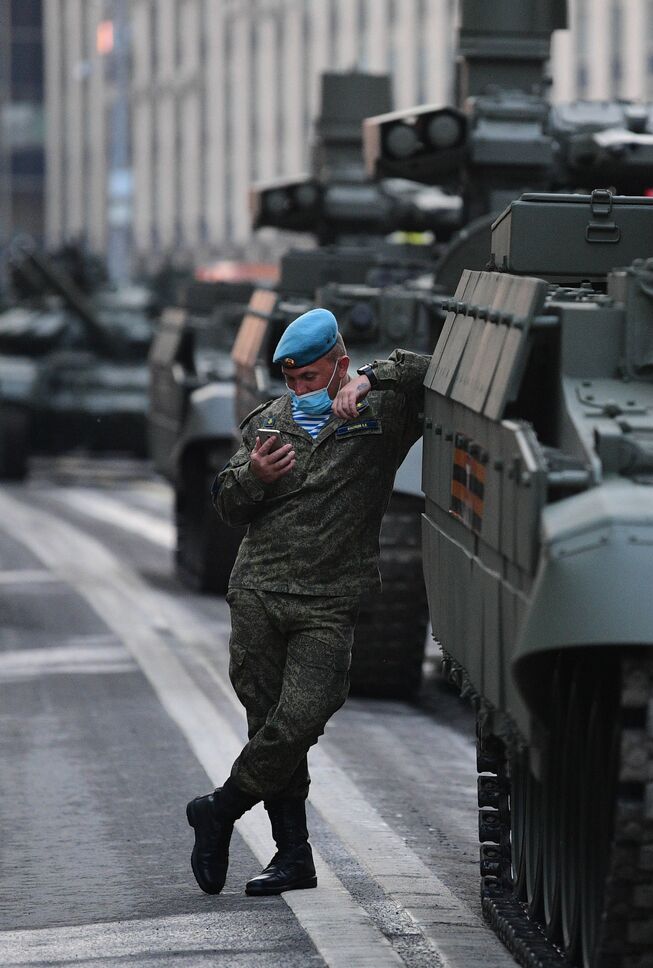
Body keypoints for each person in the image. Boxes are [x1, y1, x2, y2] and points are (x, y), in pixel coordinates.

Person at [186, 307, 429, 896]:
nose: (299, 391)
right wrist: (254, 478)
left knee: (303, 715)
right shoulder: (269, 422)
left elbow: (436, 367)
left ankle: (219, 810)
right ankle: (294, 855)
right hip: (259, 593)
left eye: (311, 379)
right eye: (291, 381)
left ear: (339, 366)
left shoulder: (380, 412)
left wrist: (375, 377)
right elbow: (224, 500)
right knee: (269, 723)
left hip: (328, 599)